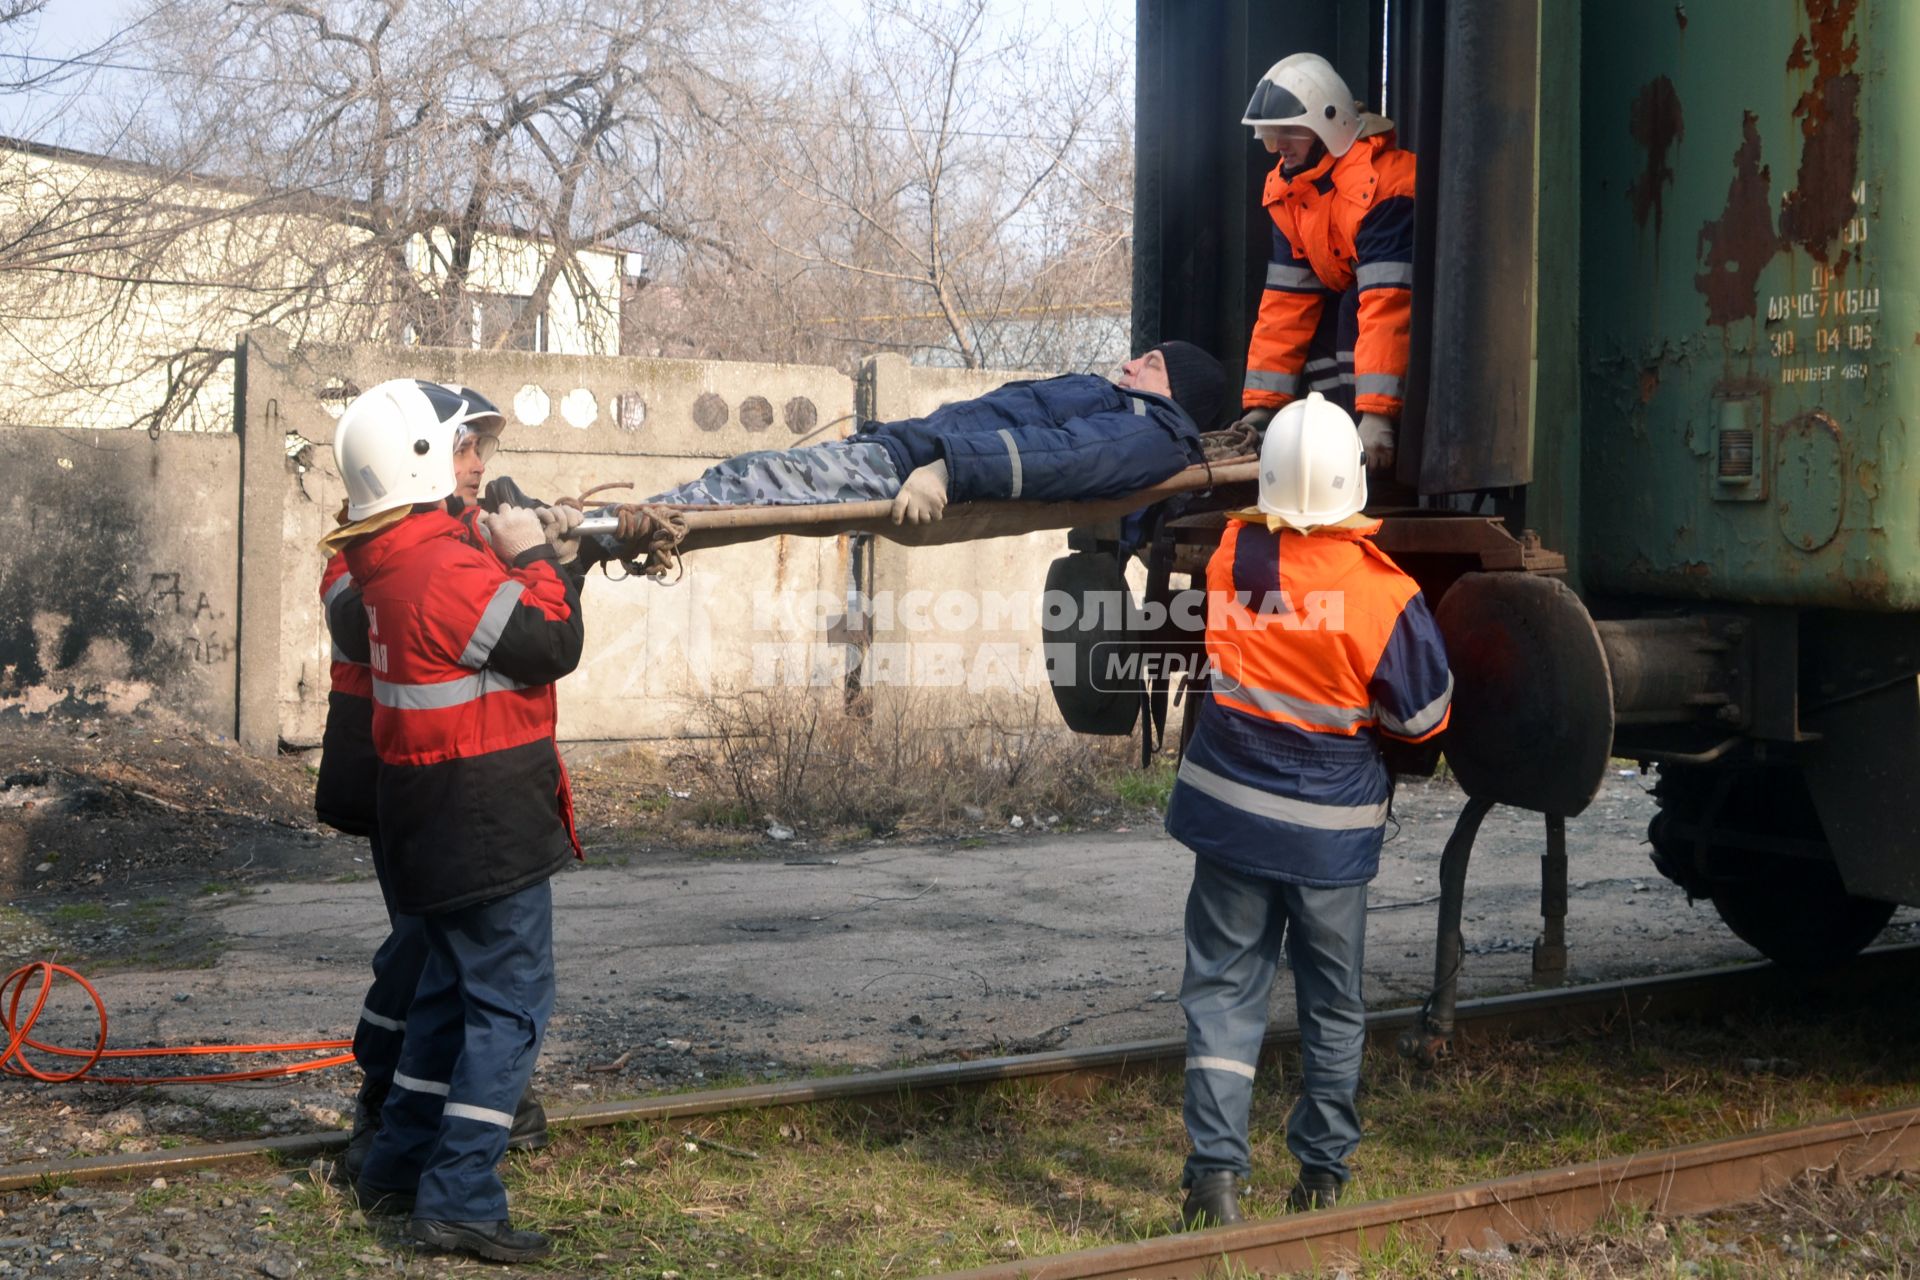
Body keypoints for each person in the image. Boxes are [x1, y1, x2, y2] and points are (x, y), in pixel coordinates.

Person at [1163, 392, 1451, 1227]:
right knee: (1332, 1002)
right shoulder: (1383, 595)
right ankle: (1320, 1178)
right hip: (1328, 838)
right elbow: (1423, 718)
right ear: (1352, 483)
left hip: (1227, 817)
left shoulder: (1230, 557)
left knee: (1222, 991)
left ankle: (1214, 1180)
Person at [330, 378, 589, 1263]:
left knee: (444, 998)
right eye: (465, 447)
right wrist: (544, 560)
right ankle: (463, 1196)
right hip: (483, 819)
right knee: (510, 1008)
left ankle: (396, 1165)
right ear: (419, 458)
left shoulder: (385, 556)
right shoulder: (445, 566)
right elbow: (551, 644)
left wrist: (510, 545)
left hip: (425, 813)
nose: (479, 466)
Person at [639, 341, 1227, 523]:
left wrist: (950, 469)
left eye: (1150, 363)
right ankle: (623, 521)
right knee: (751, 475)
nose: (1130, 365)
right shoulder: (1126, 410)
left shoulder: (1153, 431)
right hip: (899, 450)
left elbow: (1066, 457)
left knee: (754, 478)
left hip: (911, 465)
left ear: (1177, 390)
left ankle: (626, 527)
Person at [1232, 53, 1415, 473]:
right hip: (1361, 309)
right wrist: (1262, 411)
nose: (1278, 147)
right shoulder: (1290, 193)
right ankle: (1338, 436)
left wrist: (1377, 416)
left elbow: (1388, 302)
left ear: (1329, 127)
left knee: (1353, 305)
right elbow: (1284, 304)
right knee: (1324, 314)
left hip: (1411, 320)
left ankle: (1368, 438)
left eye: (1290, 133)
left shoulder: (1383, 184)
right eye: (1270, 135)